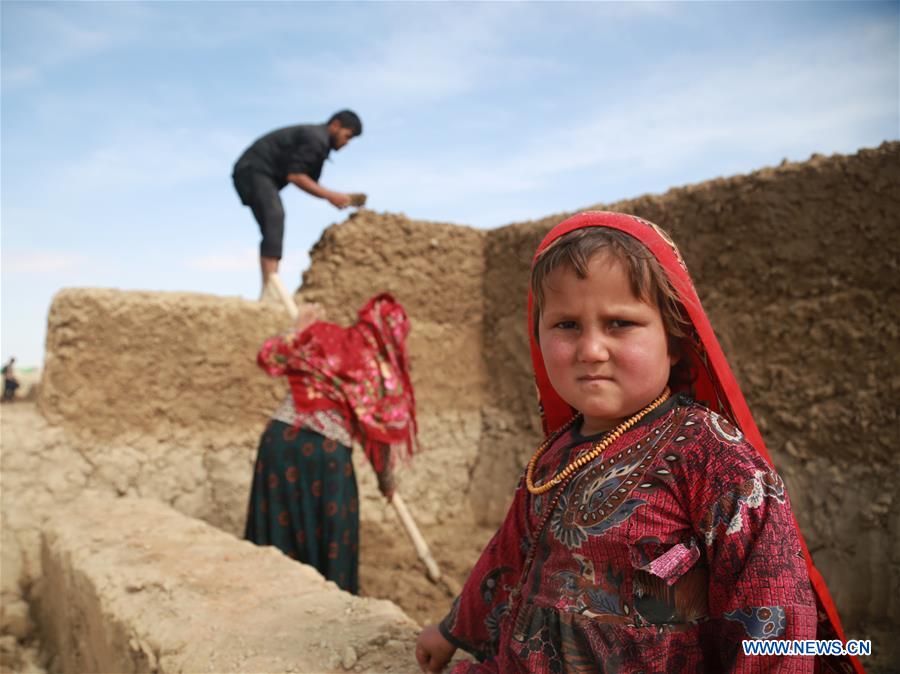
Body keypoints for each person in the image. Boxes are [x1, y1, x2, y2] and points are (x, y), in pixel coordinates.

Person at [416, 212, 860, 673]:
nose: (590, 350)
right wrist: (450, 630)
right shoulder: (554, 457)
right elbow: (508, 556)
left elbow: (773, 611)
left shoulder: (715, 460)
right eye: (566, 325)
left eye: (620, 324)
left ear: (673, 340)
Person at [246, 293, 417, 594]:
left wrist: (296, 331)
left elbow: (268, 356)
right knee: (334, 540)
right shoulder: (380, 369)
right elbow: (378, 437)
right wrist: (386, 481)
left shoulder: (323, 334)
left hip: (278, 442)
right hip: (326, 456)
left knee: (277, 538)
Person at [232, 110, 364, 295]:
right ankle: (270, 289)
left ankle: (271, 287)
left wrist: (335, 196)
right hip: (253, 170)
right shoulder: (315, 138)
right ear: (335, 125)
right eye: (347, 136)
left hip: (258, 173)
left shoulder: (320, 145)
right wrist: (330, 195)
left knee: (273, 220)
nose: (346, 143)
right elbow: (296, 176)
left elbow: (308, 180)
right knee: (274, 215)